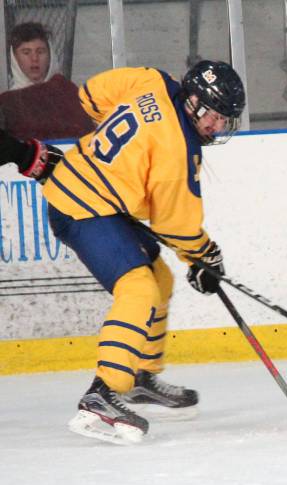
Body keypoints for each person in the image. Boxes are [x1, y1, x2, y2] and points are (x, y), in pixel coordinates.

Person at [41, 61, 246, 445]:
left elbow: (90, 96)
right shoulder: (177, 150)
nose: (218, 127)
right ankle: (103, 392)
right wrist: (205, 256)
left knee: (160, 277)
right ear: (196, 104)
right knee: (139, 290)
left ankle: (139, 378)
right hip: (82, 208)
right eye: (216, 117)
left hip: (91, 195)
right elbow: (175, 226)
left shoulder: (152, 80)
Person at [0, 22, 94, 140]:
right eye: (26, 52)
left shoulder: (67, 90)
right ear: (14, 57)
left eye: (40, 51)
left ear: (50, 55)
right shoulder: (7, 103)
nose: (34, 59)